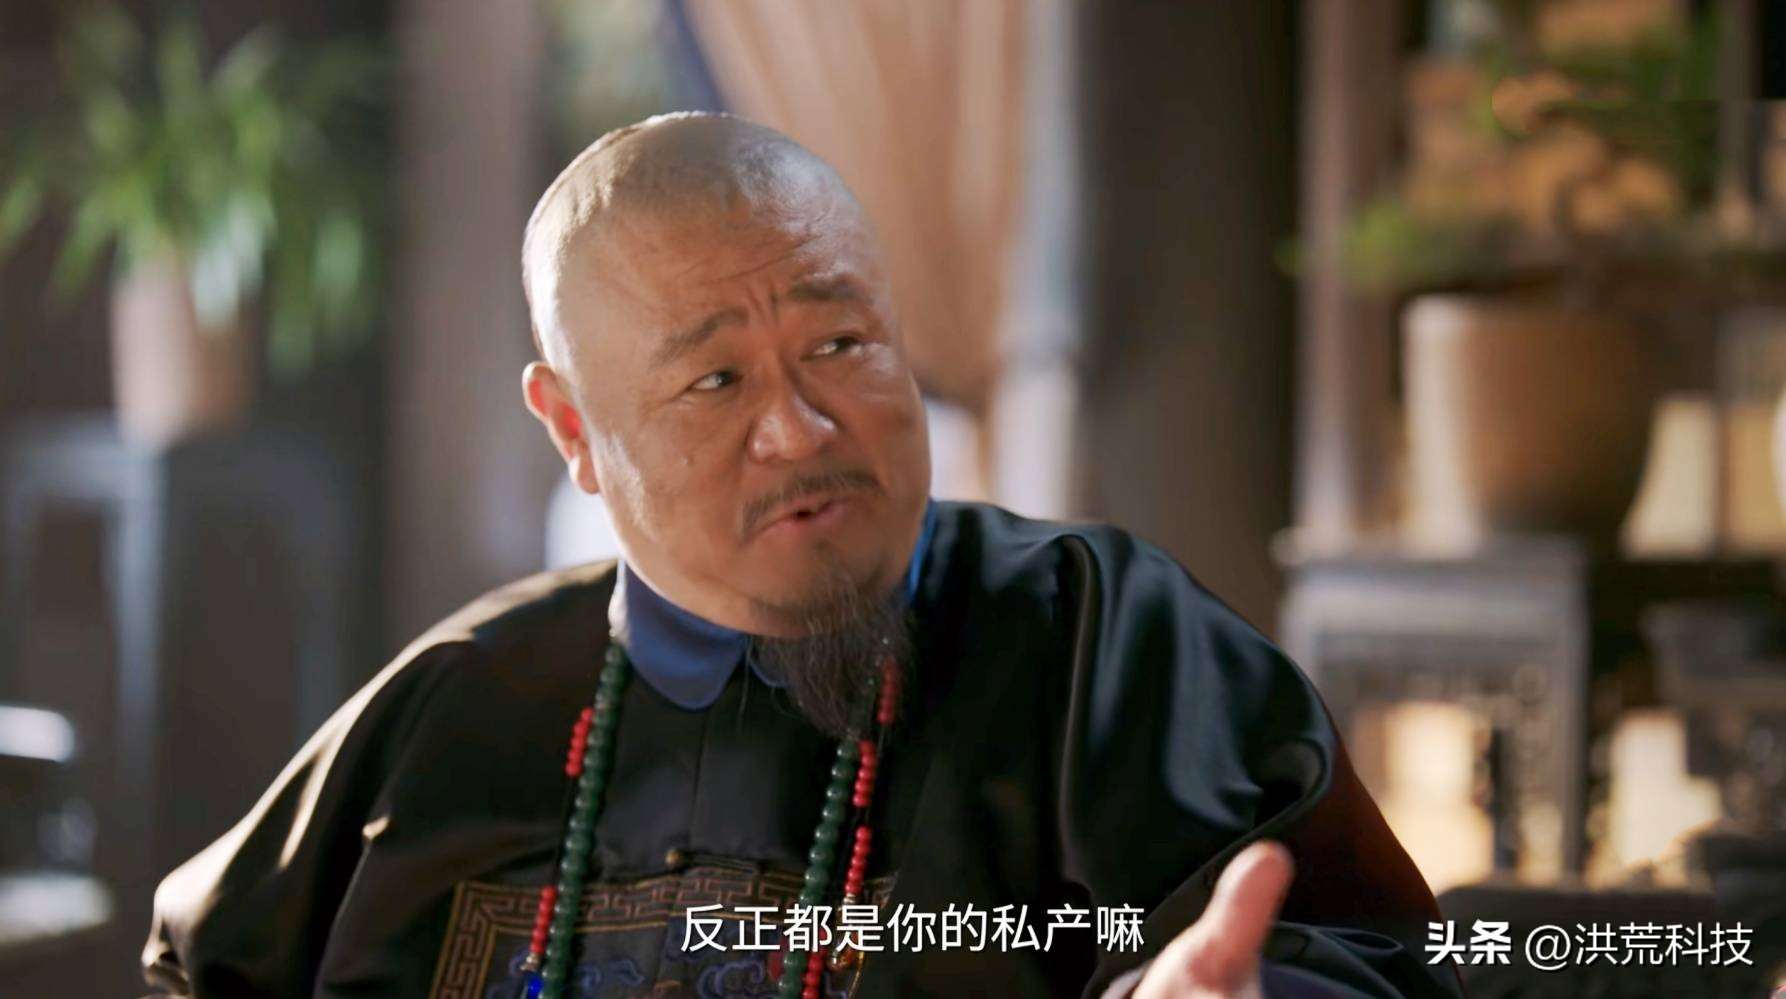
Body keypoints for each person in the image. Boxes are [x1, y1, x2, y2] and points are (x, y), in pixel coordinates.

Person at [143, 112, 1458, 999]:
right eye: (714, 380)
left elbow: (1361, 957)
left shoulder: (1099, 639)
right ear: (574, 431)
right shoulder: (449, 711)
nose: (800, 429)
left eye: (839, 344)